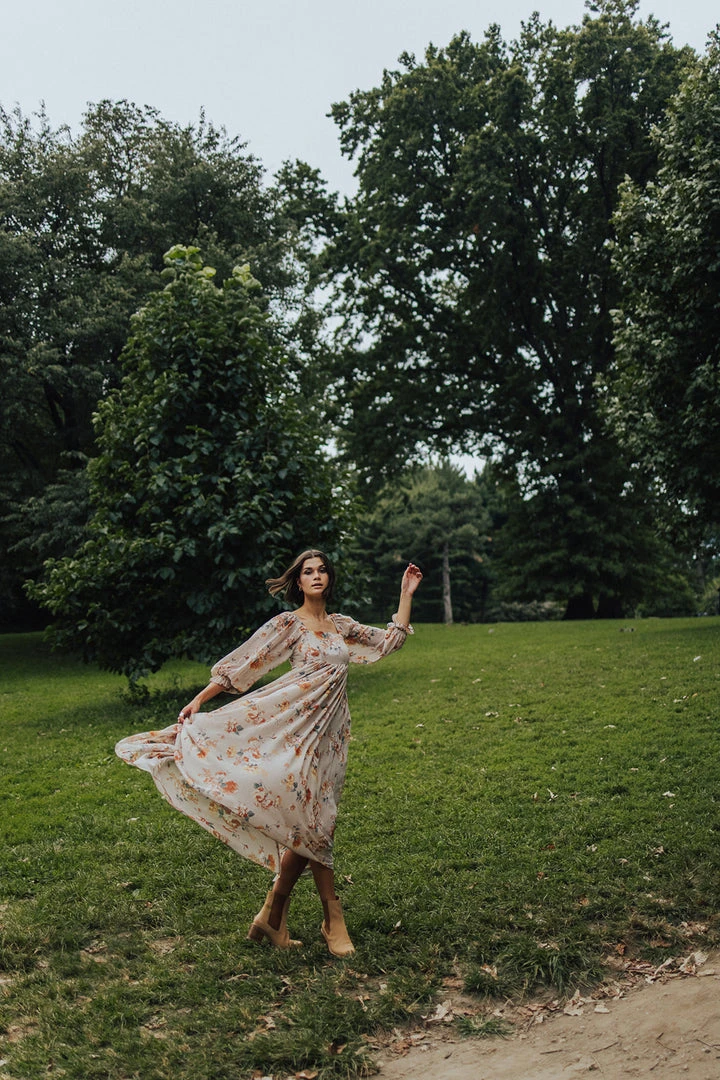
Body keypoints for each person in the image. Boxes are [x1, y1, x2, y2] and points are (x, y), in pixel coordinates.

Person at [115, 549, 422, 958]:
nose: (316, 576)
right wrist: (200, 699)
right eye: (308, 572)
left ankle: (272, 917)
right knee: (312, 821)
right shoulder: (288, 625)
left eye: (322, 570)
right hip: (292, 729)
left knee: (312, 821)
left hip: (330, 735)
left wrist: (406, 593)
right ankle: (332, 919)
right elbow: (246, 663)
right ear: (298, 581)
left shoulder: (342, 626)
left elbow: (389, 642)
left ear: (329, 579)